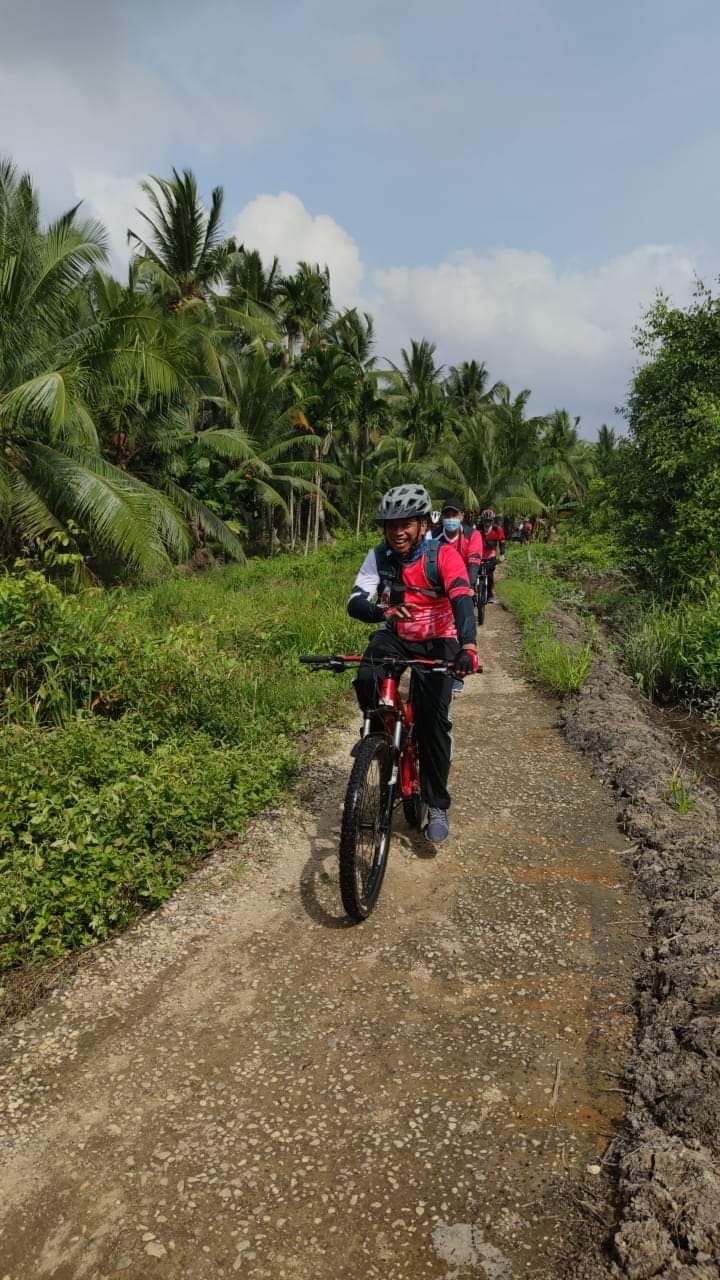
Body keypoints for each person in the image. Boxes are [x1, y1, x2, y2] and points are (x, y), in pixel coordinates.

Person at [347, 484, 479, 844]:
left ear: (423, 524)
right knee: (367, 673)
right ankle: (377, 733)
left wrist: (467, 647)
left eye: (406, 523)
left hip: (440, 637)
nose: (398, 531)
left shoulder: (443, 556)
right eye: (391, 525)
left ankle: (436, 803)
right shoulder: (380, 556)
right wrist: (382, 611)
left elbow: (463, 601)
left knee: (434, 721)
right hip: (399, 631)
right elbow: (356, 601)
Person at [438, 499, 484, 692]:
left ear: (462, 516)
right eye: (447, 515)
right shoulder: (433, 536)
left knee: (461, 626)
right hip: (438, 588)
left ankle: (458, 674)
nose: (450, 519)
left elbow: (473, 562)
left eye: (454, 515)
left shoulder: (472, 535)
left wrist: (470, 585)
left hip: (461, 585)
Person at [479, 508, 506, 602]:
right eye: (485, 521)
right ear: (482, 520)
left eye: (489, 521)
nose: (487, 523)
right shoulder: (478, 529)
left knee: (490, 575)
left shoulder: (497, 530)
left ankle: (490, 593)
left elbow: (502, 542)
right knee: (473, 574)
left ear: (492, 521)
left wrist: (502, 554)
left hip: (491, 555)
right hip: (478, 555)